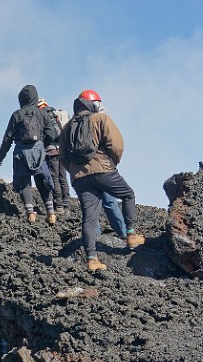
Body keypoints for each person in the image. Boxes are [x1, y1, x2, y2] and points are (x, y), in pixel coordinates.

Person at [59, 89, 145, 271]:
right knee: (128, 195)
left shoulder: (67, 128)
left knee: (89, 218)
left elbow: (63, 157)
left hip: (79, 178)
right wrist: (111, 163)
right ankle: (130, 234)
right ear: (93, 104)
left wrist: (75, 172)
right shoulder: (100, 119)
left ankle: (92, 259)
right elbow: (117, 144)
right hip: (103, 171)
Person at [0, 85, 57, 224]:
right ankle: (51, 213)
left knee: (25, 183)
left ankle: (30, 213)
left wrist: (1, 156)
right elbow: (51, 133)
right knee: (42, 181)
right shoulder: (42, 113)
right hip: (39, 151)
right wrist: (43, 144)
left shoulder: (17, 115)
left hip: (21, 152)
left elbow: (8, 138)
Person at [37, 97, 71, 216]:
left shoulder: (41, 115)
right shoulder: (56, 113)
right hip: (62, 150)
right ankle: (66, 204)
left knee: (54, 178)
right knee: (63, 177)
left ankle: (59, 206)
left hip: (51, 152)